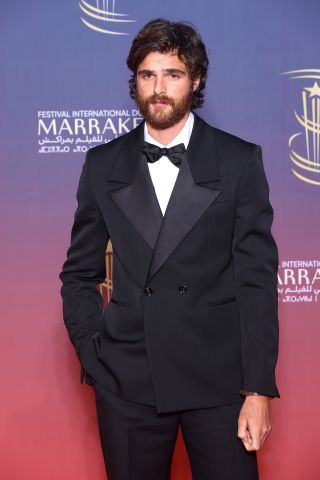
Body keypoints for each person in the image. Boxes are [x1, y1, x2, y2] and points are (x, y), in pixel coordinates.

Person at [59, 18, 280, 480]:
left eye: (172, 75)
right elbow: (79, 273)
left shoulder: (238, 161)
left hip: (220, 384)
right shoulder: (103, 164)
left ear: (196, 79)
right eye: (147, 75)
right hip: (127, 383)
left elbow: (256, 283)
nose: (158, 89)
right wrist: (93, 356)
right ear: (135, 81)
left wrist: (258, 389)